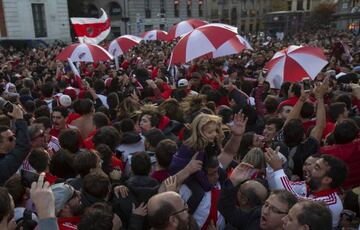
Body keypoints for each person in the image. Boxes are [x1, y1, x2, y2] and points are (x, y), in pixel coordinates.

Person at [266, 148, 347, 228]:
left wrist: (278, 169)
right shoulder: (307, 185)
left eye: (316, 168)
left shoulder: (331, 203)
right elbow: (279, 189)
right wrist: (271, 167)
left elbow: (290, 199)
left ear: (327, 180)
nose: (310, 169)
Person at [0, 104, 31, 184]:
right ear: (1, 145)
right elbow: (23, 147)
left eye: (14, 136)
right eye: (10, 138)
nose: (15, 139)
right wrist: (20, 119)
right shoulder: (3, 165)